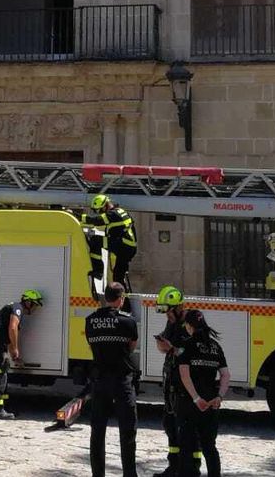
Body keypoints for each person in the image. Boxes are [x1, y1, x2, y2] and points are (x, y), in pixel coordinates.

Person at [84, 282, 140, 477]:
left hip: (100, 379)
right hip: (121, 379)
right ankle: (129, 474)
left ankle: (97, 474)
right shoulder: (128, 322)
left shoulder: (90, 320)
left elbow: (92, 347)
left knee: (97, 431)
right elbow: (132, 347)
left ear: (105, 298)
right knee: (127, 430)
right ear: (121, 299)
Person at [176, 309, 229, 477]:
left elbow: (185, 375)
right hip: (211, 403)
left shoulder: (187, 345)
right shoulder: (215, 346)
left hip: (190, 404)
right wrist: (219, 397)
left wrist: (196, 398)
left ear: (190, 326)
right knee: (209, 446)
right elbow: (226, 374)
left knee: (186, 445)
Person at [0, 288, 44, 419]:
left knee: (3, 372)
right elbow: (12, 328)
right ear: (28, 303)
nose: (34, 310)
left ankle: (3, 406)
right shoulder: (18, 308)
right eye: (35, 306)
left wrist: (14, 355)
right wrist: (15, 349)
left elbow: (10, 333)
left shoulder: (16, 308)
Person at [152, 286, 194, 477]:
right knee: (169, 423)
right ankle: (173, 466)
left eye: (168, 310)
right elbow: (167, 349)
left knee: (187, 427)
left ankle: (190, 468)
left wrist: (173, 349)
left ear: (178, 308)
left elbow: (194, 354)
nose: (166, 315)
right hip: (171, 379)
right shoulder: (172, 323)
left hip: (186, 383)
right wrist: (163, 346)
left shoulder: (191, 324)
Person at [83, 195, 138, 291]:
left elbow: (95, 221)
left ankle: (98, 270)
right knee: (118, 276)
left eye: (99, 210)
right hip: (127, 246)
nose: (98, 213)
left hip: (123, 246)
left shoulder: (112, 214)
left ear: (105, 206)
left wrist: (77, 216)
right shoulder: (120, 211)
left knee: (96, 241)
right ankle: (124, 299)